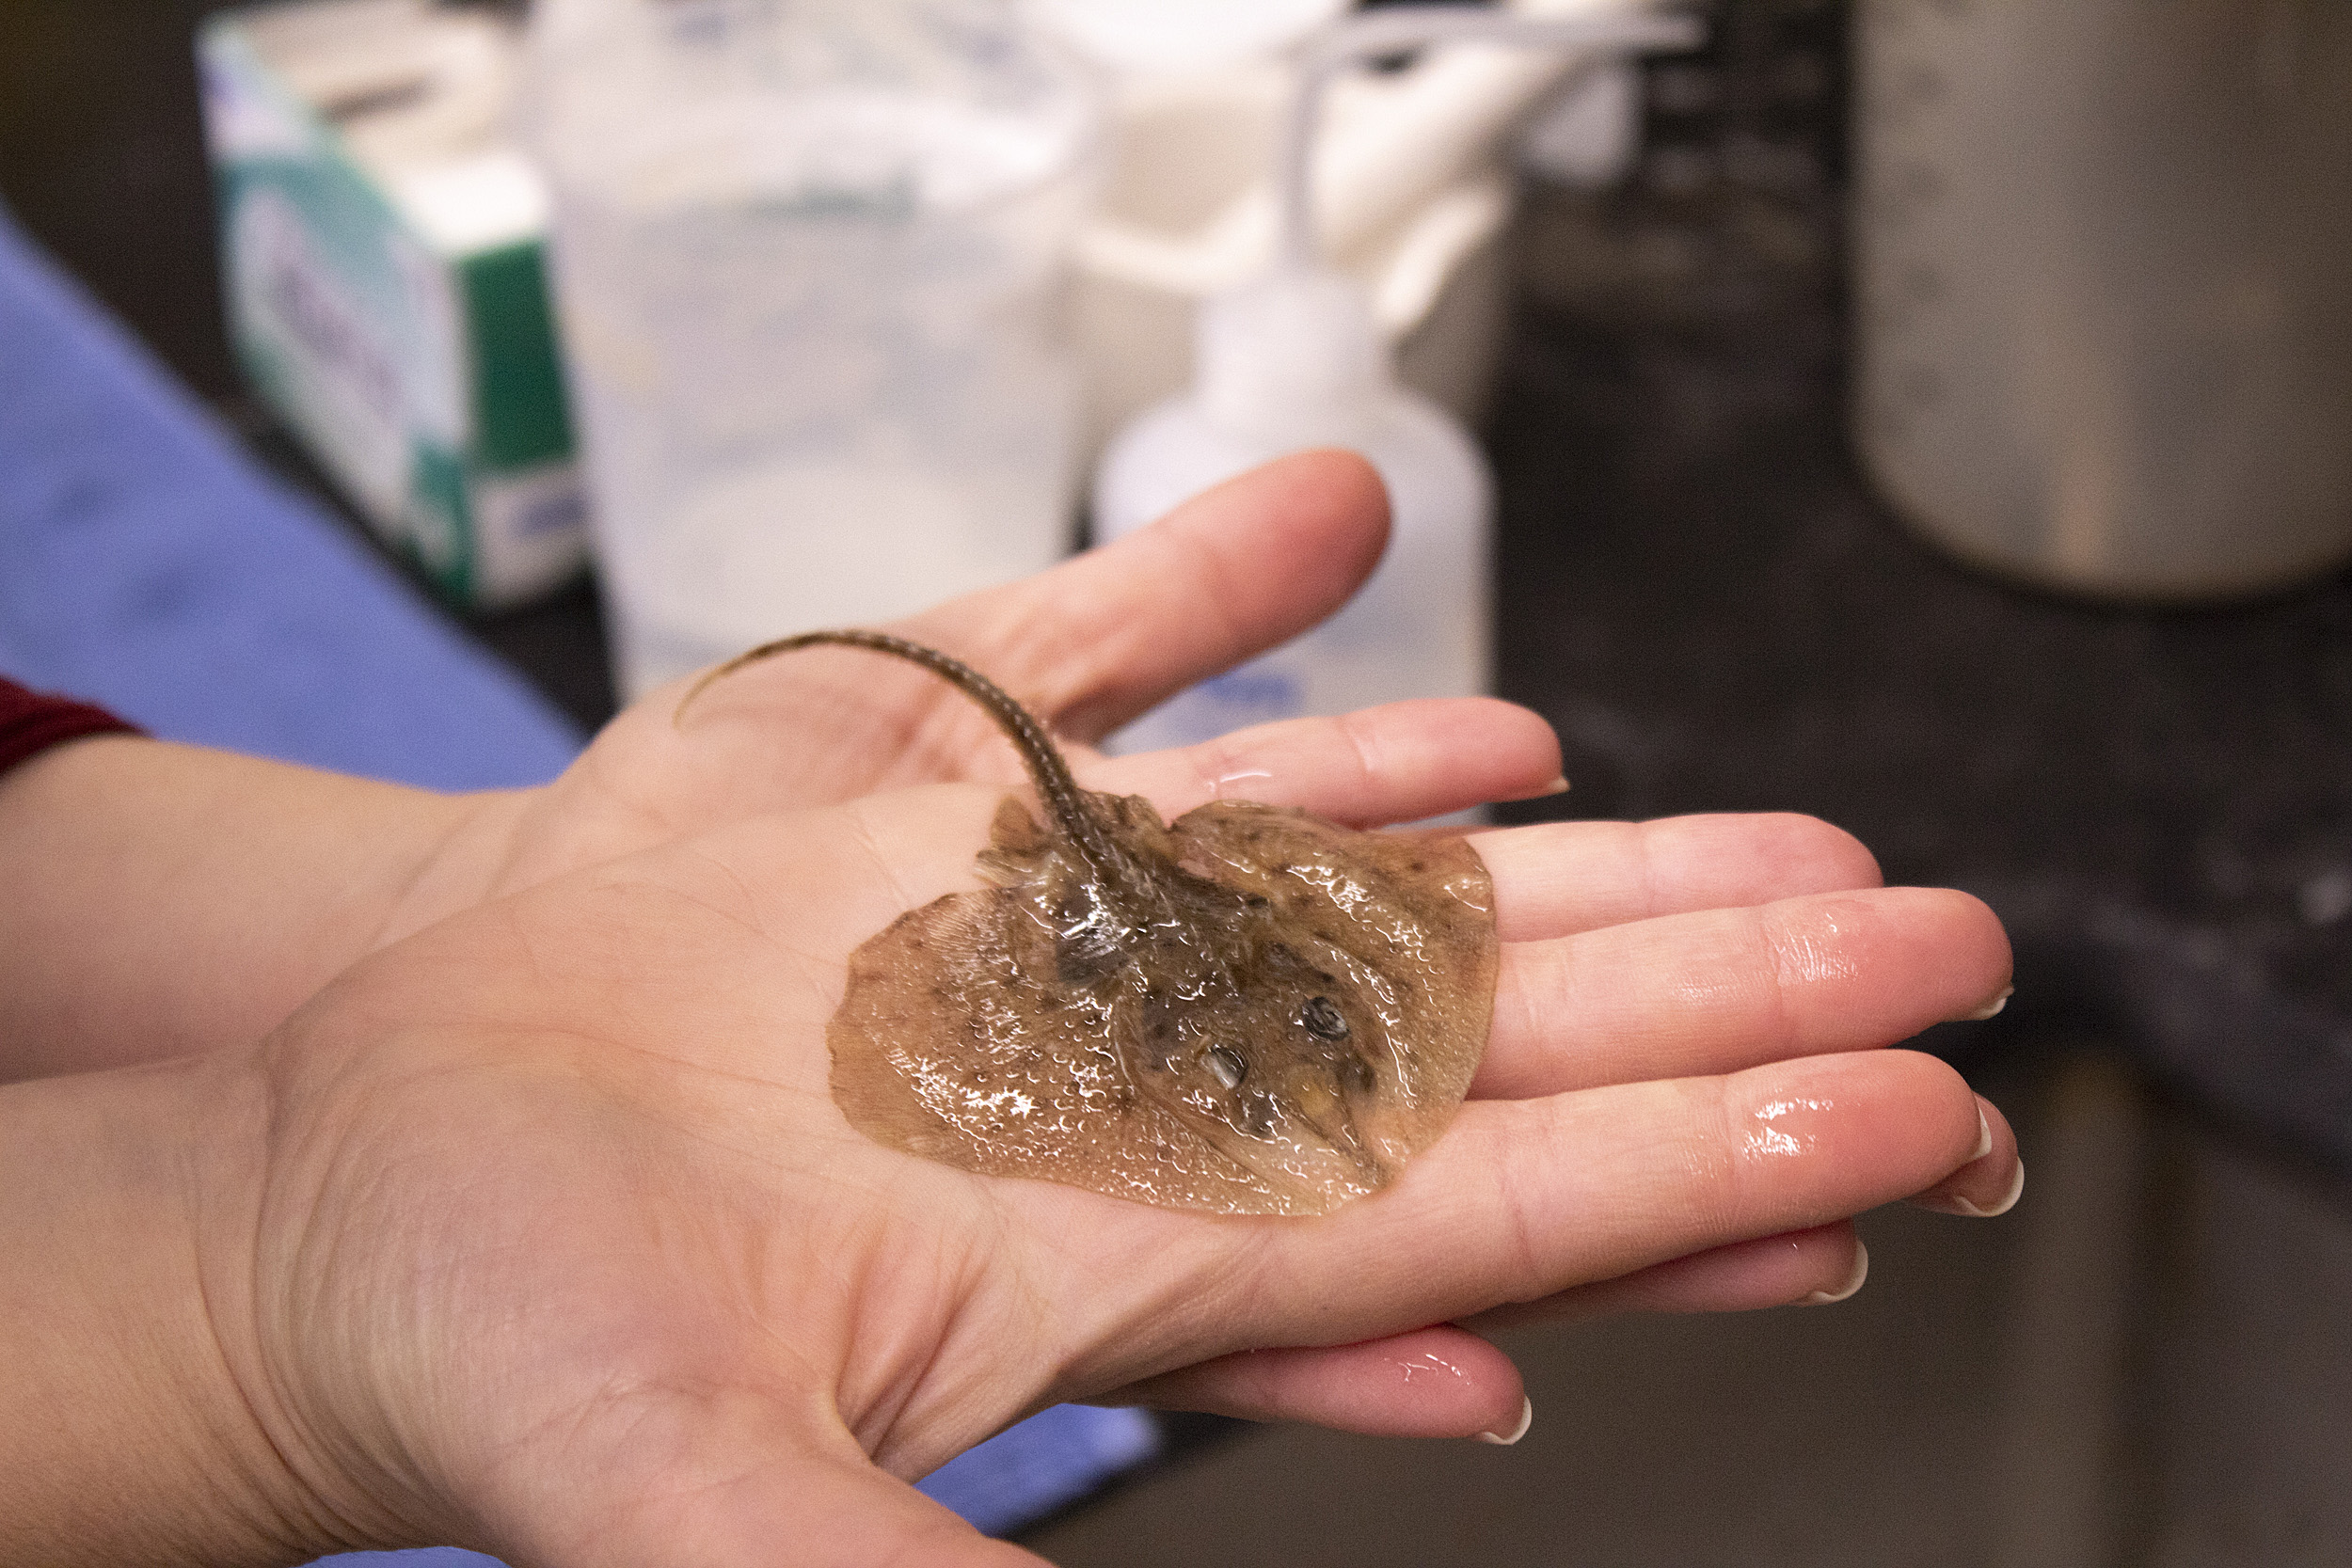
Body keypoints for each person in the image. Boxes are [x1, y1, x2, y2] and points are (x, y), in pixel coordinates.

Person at [0, 452, 2019, 1567]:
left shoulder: (1340, 945)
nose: (1327, 1132)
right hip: (1080, 930)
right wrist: (230, 1288)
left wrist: (395, 919)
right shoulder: (1016, 1002)